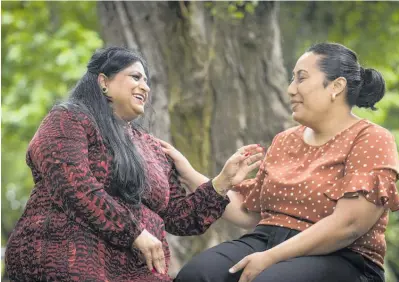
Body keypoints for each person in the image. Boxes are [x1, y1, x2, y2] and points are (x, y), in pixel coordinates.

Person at [4, 46, 265, 282]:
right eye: (136, 77)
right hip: (66, 256)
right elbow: (74, 186)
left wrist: (221, 182)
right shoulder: (68, 119)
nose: (146, 87)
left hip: (138, 270)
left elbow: (179, 218)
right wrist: (134, 233)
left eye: (147, 81)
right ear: (103, 82)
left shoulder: (152, 147)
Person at [168, 43, 399, 282]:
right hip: (266, 239)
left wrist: (271, 257)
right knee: (196, 275)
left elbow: (349, 225)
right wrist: (189, 173)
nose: (291, 89)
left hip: (342, 256)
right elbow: (249, 212)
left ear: (336, 86)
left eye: (301, 78)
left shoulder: (371, 138)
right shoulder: (284, 140)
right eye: (292, 79)